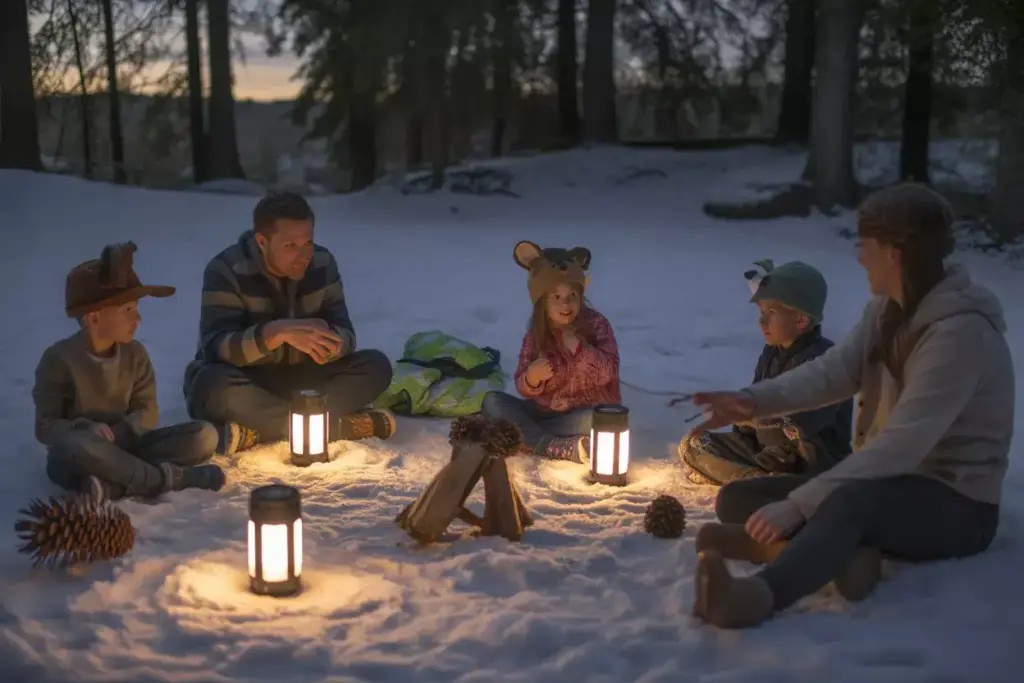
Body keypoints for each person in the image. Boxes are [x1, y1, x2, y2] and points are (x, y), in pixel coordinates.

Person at [687, 183, 1013, 629]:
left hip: (957, 504)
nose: (859, 256)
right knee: (739, 499)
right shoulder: (888, 309)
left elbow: (900, 446)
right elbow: (833, 372)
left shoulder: (958, 335)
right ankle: (848, 555)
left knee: (844, 503)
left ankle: (758, 594)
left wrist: (800, 506)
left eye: (866, 244)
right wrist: (752, 401)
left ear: (894, 252)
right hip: (889, 484)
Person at [183, 192, 396, 454]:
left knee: (376, 366)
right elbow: (215, 348)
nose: (303, 254)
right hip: (250, 381)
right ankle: (338, 427)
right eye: (290, 246)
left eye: (308, 242)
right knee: (210, 385)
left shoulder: (322, 263)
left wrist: (328, 341)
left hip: (306, 381)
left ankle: (260, 429)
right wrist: (273, 334)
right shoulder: (227, 269)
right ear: (262, 241)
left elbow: (347, 336)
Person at [34, 242, 226, 503]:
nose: (137, 319)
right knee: (78, 446)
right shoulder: (58, 359)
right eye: (127, 310)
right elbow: (46, 427)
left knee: (204, 436)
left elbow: (148, 411)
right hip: (82, 455)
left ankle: (112, 485)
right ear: (93, 318)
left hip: (129, 446)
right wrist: (86, 428)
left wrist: (123, 432)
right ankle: (168, 479)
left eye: (136, 308)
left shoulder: (135, 354)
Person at [678, 260, 852, 485]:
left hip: (810, 463)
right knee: (694, 444)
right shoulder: (771, 353)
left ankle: (758, 484)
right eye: (761, 311)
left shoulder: (825, 360)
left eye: (771, 313)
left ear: (801, 319)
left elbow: (799, 422)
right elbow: (755, 396)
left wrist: (754, 416)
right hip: (764, 453)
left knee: (802, 461)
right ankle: (756, 481)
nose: (761, 321)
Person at [479, 240, 620, 462]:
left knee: (602, 421)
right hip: (543, 413)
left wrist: (581, 349)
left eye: (572, 296)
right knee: (492, 402)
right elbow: (521, 383)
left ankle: (530, 436)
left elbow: (608, 372)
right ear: (542, 301)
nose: (566, 305)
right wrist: (532, 379)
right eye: (556, 297)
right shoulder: (536, 334)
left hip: (581, 414)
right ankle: (552, 445)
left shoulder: (597, 325)